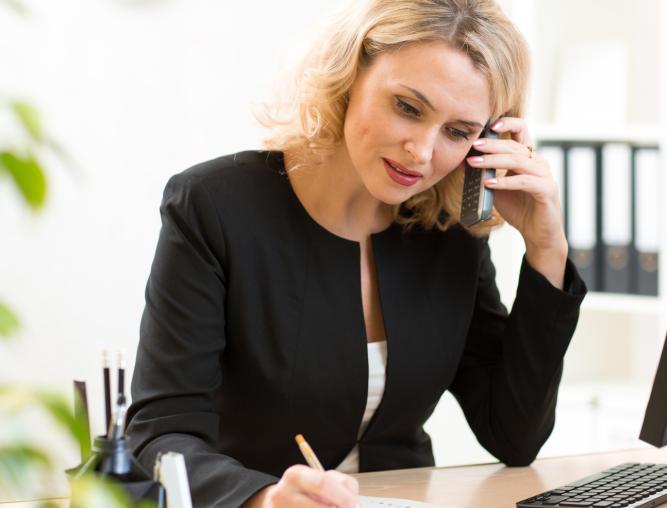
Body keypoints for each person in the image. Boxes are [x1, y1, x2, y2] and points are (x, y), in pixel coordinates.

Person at [126, 0, 586, 506]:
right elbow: (160, 437)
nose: (422, 152)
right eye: (408, 107)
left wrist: (547, 248)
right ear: (349, 77)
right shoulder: (214, 207)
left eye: (458, 132)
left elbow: (513, 435)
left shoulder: (448, 231)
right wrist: (264, 499)